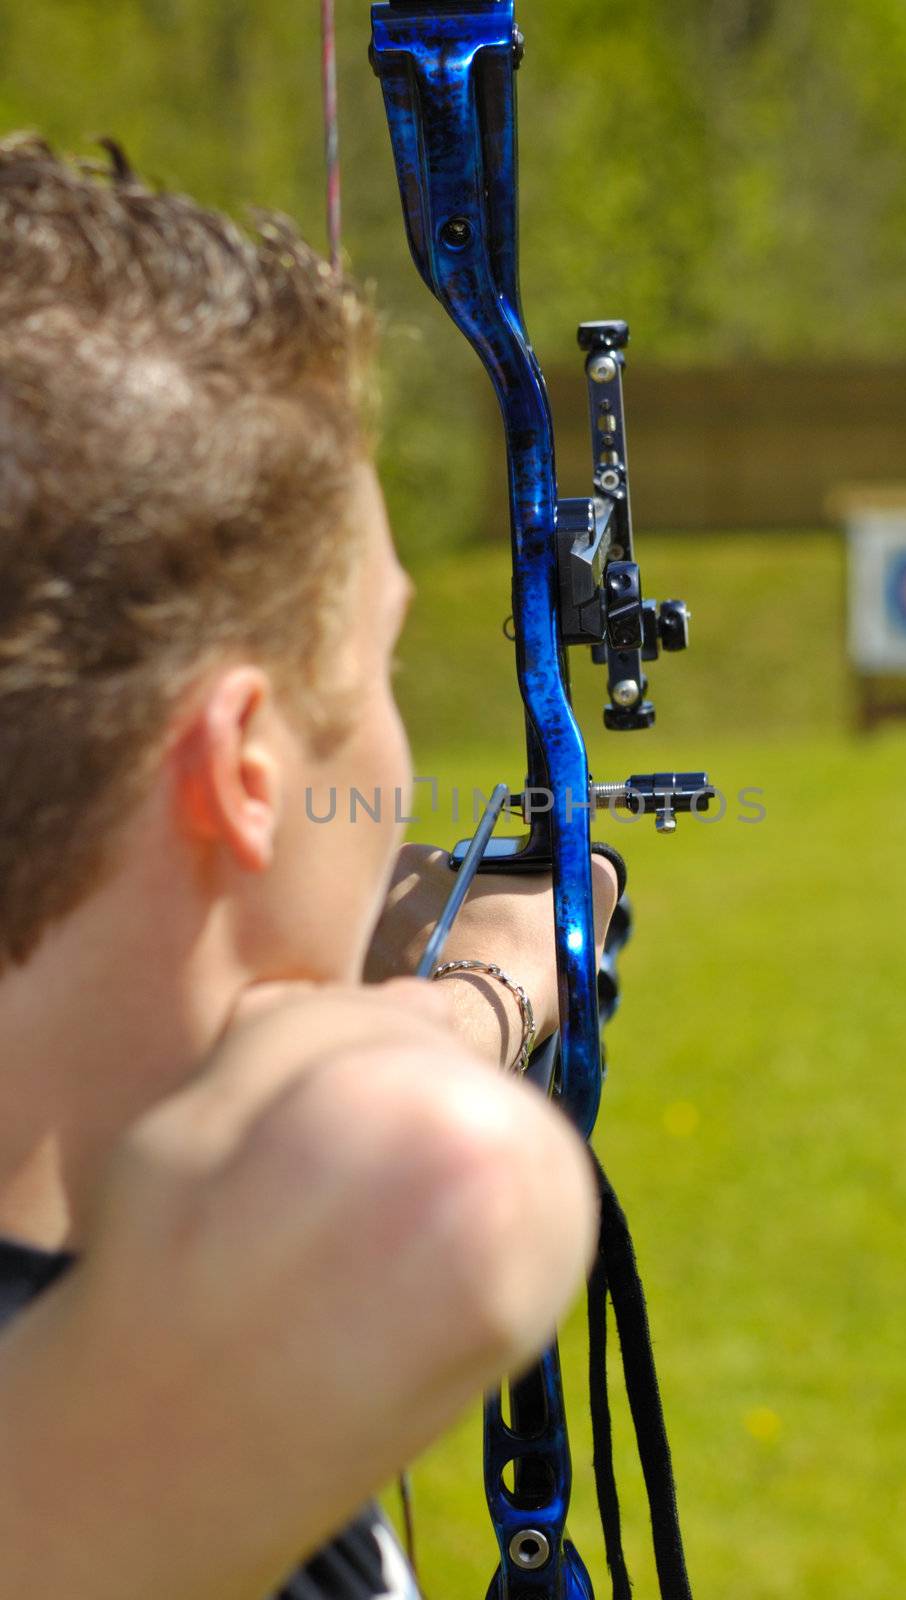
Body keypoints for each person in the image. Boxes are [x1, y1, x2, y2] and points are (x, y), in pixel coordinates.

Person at [0, 137, 617, 1599]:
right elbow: (447, 1193)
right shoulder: (114, 1462)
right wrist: (489, 986)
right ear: (243, 769)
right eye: (376, 662)